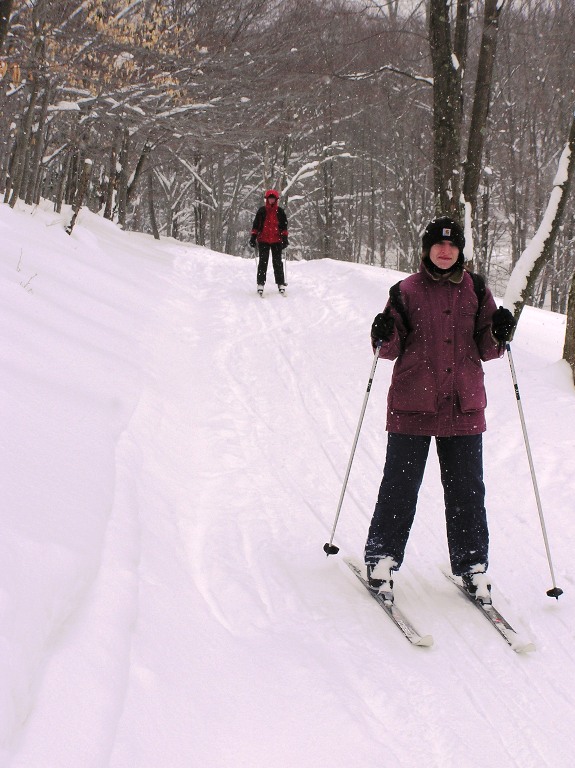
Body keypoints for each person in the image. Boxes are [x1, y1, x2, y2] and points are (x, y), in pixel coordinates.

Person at [364, 216, 516, 605]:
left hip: (463, 406)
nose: (445, 251)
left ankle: (472, 565)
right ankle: (381, 558)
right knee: (400, 486)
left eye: (452, 246)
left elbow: (487, 347)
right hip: (413, 403)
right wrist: (381, 332)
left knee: (467, 489)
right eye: (438, 245)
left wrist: (500, 332)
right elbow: (390, 347)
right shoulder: (405, 291)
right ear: (427, 249)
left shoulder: (477, 290)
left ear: (460, 250)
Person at [249, 189, 289, 295]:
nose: (271, 200)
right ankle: (260, 283)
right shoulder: (262, 211)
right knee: (263, 262)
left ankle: (280, 283)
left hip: (277, 240)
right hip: (263, 240)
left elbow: (284, 226)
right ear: (267, 199)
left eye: (273, 199)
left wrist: (285, 238)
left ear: (276, 200)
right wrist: (253, 237)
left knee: (277, 262)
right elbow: (256, 225)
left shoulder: (280, 212)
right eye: (269, 198)